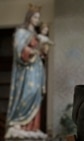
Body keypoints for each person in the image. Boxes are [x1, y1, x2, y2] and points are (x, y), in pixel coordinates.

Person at [5, 4, 47, 139]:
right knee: (27, 93)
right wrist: (32, 51)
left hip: (37, 69)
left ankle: (33, 128)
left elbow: (41, 53)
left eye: (38, 17)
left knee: (35, 94)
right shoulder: (21, 33)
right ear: (29, 17)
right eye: (35, 17)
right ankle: (18, 122)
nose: (37, 20)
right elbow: (19, 51)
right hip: (26, 71)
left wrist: (42, 49)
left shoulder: (35, 34)